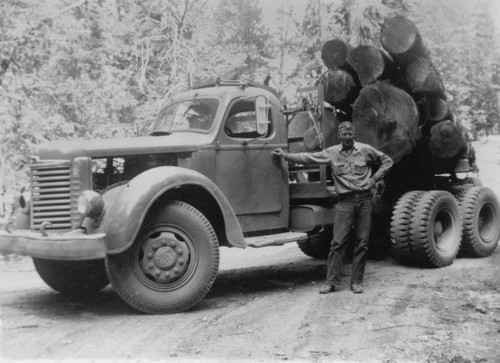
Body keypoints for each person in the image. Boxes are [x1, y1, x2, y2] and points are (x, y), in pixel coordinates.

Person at [273, 121, 393, 294]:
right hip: (345, 202)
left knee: (362, 242)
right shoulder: (332, 153)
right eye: (344, 134)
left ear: (354, 134)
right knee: (338, 242)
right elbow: (308, 157)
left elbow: (387, 161)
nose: (347, 137)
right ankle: (332, 282)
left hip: (365, 200)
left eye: (350, 133)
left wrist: (374, 180)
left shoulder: (366, 150)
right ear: (339, 135)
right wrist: (285, 155)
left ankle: (356, 282)